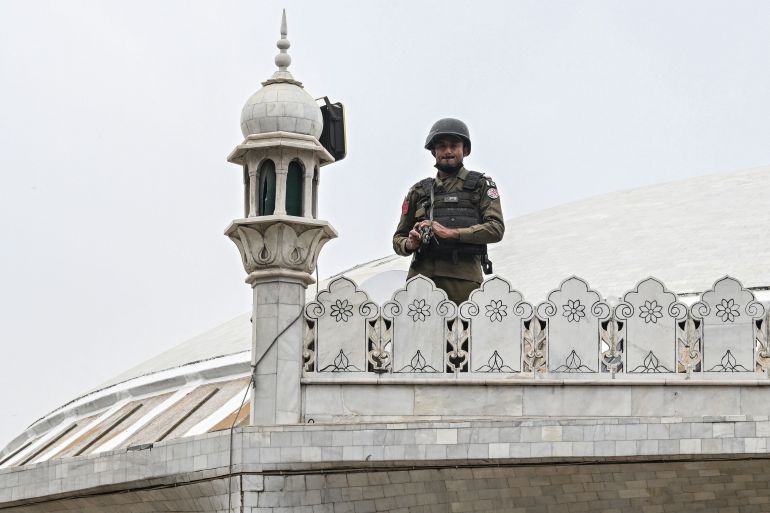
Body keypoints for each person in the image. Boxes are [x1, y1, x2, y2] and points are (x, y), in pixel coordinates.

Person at [392, 118, 505, 304]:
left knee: (464, 332)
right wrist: (410, 243)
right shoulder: (418, 191)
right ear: (433, 151)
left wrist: (451, 233)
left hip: (464, 281)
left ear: (465, 150)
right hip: (421, 282)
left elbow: (496, 229)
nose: (448, 151)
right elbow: (398, 239)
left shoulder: (481, 185)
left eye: (454, 145)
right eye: (442, 146)